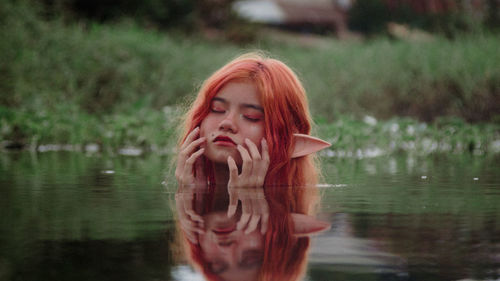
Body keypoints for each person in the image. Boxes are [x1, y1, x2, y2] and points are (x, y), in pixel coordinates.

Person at [174, 52, 330, 280]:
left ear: (288, 143)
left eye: (251, 116)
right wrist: (189, 193)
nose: (227, 123)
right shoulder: (186, 186)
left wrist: (251, 198)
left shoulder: (293, 201)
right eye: (217, 109)